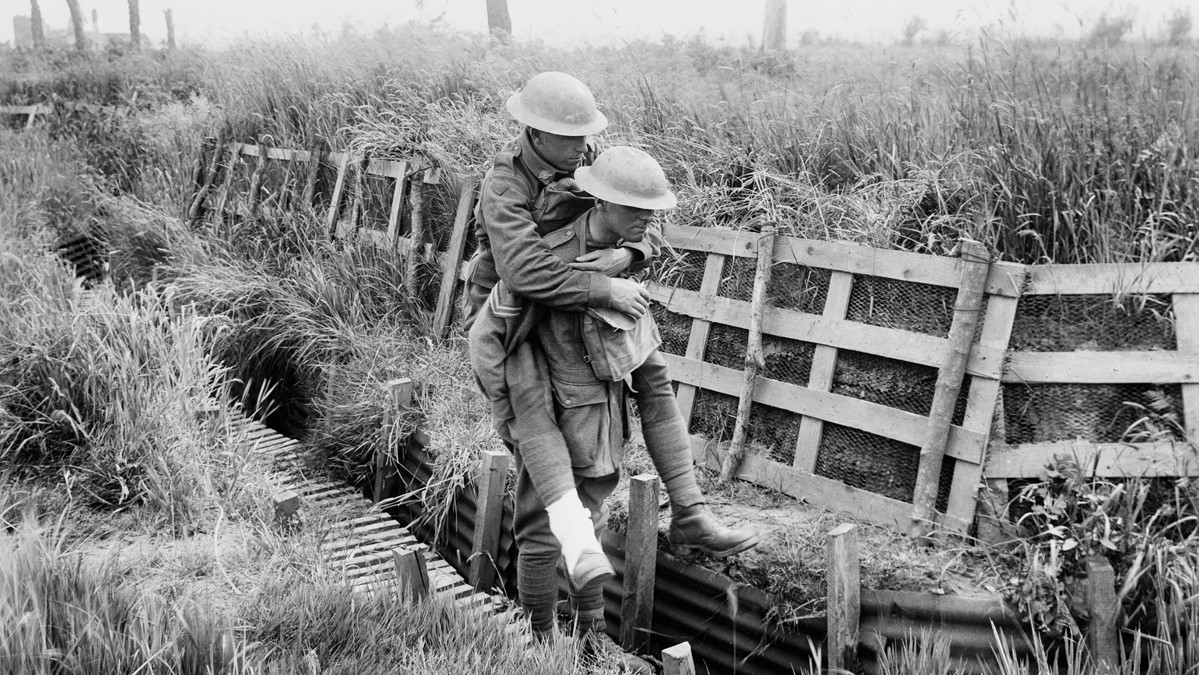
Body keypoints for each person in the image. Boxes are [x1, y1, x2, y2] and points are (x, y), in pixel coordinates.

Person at [469, 146, 759, 673]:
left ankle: (593, 635)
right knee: (542, 527)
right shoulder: (547, 261)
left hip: (600, 406)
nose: (647, 220)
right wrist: (509, 406)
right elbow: (490, 337)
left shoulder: (623, 252)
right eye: (634, 210)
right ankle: (539, 648)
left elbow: (648, 373)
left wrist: (626, 262)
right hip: (546, 402)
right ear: (598, 201)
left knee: (598, 506)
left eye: (652, 211)